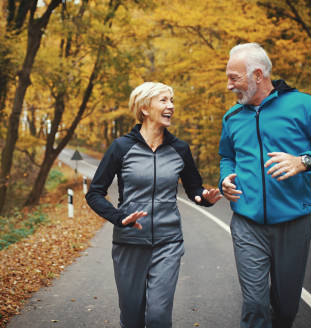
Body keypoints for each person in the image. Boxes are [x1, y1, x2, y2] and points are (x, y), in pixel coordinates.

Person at [218, 42, 311, 328]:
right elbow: (227, 156)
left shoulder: (304, 105)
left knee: (285, 308)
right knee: (255, 305)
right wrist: (225, 178)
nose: (229, 85)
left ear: (258, 75)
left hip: (293, 223)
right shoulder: (231, 117)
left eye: (234, 77)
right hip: (247, 223)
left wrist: (304, 161)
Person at [86, 81, 222, 328]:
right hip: (129, 242)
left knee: (159, 317)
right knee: (132, 319)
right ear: (145, 108)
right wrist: (119, 218)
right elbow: (94, 193)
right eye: (164, 100)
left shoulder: (179, 149)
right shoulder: (121, 147)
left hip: (168, 242)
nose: (171, 106)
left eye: (172, 101)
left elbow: (194, 189)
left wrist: (206, 198)